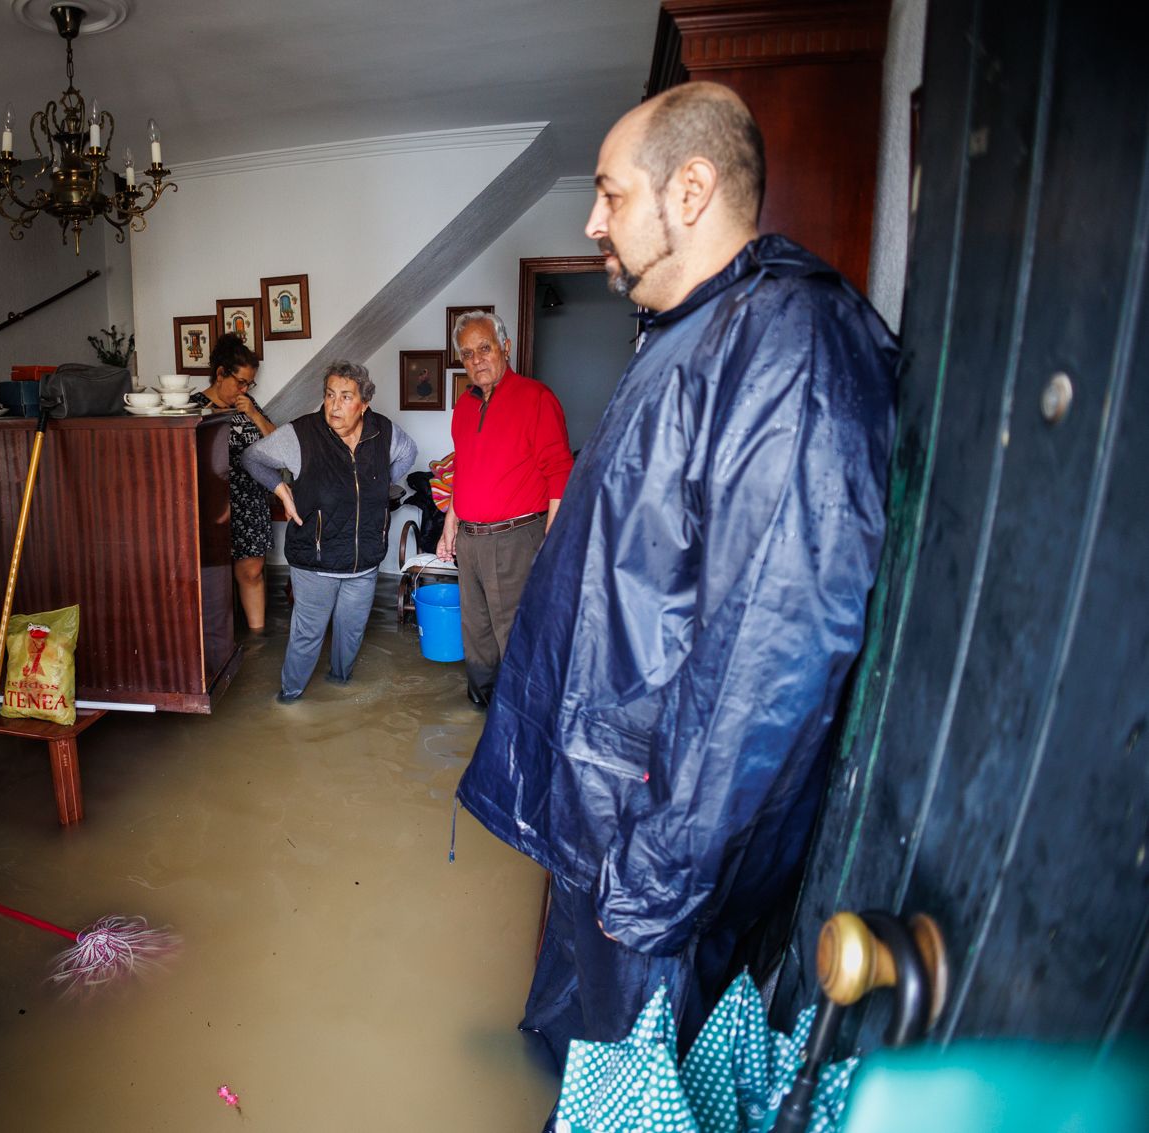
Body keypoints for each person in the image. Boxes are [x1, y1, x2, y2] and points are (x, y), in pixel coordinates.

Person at [454, 82, 898, 1065]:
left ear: (689, 188)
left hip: (656, 848)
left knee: (638, 1080)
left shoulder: (787, 348)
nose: (589, 218)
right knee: (578, 1062)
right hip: (609, 811)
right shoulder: (690, 329)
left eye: (609, 193)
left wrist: (652, 873)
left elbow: (767, 655)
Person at [242, 362, 416, 702]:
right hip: (314, 560)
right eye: (329, 395)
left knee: (351, 634)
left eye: (346, 397)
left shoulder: (383, 433)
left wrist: (376, 488)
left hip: (364, 560)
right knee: (307, 635)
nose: (334, 406)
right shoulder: (303, 435)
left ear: (364, 404)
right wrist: (281, 489)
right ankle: (289, 699)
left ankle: (340, 687)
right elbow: (252, 458)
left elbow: (409, 452)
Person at [435, 310, 573, 706]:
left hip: (517, 537)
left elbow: (560, 470)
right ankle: (481, 710)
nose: (476, 360)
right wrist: (451, 524)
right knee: (476, 632)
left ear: (505, 348)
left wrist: (553, 538)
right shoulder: (463, 407)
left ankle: (520, 717)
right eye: (467, 354)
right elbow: (464, 470)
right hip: (471, 539)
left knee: (515, 631)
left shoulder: (536, 398)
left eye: (484, 348)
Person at [191, 335, 278, 634]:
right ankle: (216, 640)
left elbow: (277, 446)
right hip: (211, 503)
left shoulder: (248, 406)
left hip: (250, 499)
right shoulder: (194, 408)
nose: (243, 389)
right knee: (212, 575)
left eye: (249, 384)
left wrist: (253, 414)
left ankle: (258, 639)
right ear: (220, 374)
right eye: (240, 382)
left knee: (251, 571)